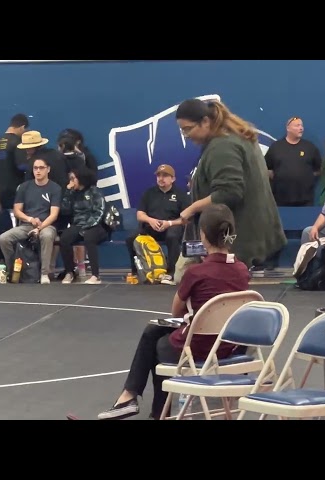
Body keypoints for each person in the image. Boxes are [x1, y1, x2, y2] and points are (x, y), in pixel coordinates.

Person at [97, 203, 250, 420]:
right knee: (153, 331)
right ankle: (132, 399)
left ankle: (146, 406)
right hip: (230, 344)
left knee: (158, 344)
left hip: (200, 348)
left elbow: (176, 311)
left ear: (203, 235)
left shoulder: (196, 272)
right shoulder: (242, 271)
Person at [174, 98, 286, 272]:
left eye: (188, 129)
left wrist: (192, 208)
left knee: (188, 280)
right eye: (182, 131)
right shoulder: (234, 138)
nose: (186, 135)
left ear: (205, 121)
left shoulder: (222, 146)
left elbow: (229, 192)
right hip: (251, 237)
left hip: (240, 242)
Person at [0, 157, 62, 284]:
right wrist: (30, 219)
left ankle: (44, 273)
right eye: (35, 168)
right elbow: (17, 211)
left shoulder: (55, 188)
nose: (38, 171)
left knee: (47, 235)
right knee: (4, 238)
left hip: (46, 225)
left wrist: (39, 228)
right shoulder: (24, 187)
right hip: (27, 225)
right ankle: (14, 271)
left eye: (41, 168)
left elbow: (53, 215)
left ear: (48, 169)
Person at [59, 166, 109, 285]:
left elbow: (99, 212)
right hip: (79, 224)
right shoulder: (73, 193)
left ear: (80, 178)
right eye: (70, 179)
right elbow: (65, 210)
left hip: (96, 225)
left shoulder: (94, 191)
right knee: (64, 238)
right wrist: (67, 192)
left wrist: (86, 227)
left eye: (73, 179)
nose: (71, 182)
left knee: (89, 238)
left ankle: (95, 275)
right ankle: (70, 272)